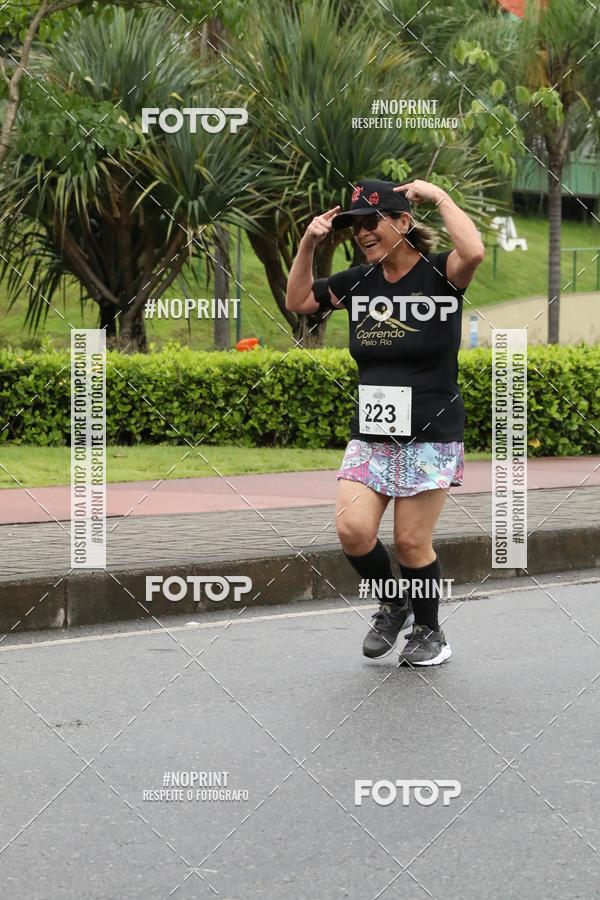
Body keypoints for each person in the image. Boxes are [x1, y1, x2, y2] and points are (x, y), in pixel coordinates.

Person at [285, 178, 485, 665]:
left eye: (372, 221)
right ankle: (394, 603)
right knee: (352, 530)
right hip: (372, 434)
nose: (362, 233)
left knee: (411, 542)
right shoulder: (359, 282)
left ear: (402, 222)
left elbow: (474, 251)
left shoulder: (440, 275)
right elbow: (299, 301)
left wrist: (439, 196)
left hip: (430, 432)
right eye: (355, 226)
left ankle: (430, 632)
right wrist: (309, 243)